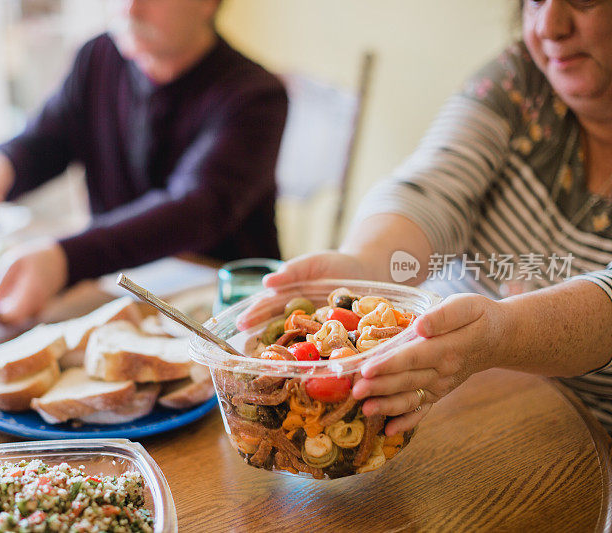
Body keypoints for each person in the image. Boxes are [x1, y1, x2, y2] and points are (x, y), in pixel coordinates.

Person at [249, 0, 612, 435]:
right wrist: (365, 266)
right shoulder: (524, 76)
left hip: (589, 440)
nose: (550, 25)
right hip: (443, 404)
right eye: (535, 0)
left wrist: (501, 334)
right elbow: (433, 187)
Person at [0, 0, 287, 324]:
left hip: (227, 315)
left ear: (207, 4)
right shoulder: (98, 56)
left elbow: (196, 207)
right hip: (117, 294)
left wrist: (66, 259)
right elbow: (49, 139)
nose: (129, 8)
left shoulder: (255, 94)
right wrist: (1, 164)